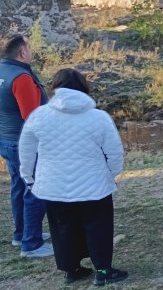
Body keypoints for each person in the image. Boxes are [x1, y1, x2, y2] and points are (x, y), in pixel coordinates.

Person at [19, 69, 127, 285]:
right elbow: (115, 151)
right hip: (94, 184)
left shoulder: (39, 115)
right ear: (84, 87)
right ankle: (103, 271)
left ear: (55, 88)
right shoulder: (99, 117)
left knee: (62, 228)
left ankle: (71, 270)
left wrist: (28, 177)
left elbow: (26, 150)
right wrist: (112, 173)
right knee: (98, 226)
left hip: (53, 185)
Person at [0, 34, 52, 258]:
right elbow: (32, 117)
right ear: (22, 52)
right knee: (36, 188)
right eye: (28, 49)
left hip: (6, 141)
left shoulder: (2, 71)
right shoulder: (21, 77)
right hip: (24, 144)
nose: (30, 52)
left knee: (19, 187)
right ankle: (31, 244)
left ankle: (21, 234)